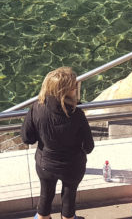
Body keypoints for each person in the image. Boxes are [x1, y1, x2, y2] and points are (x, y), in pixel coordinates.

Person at [21, 67, 94, 219]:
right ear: (67, 91)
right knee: (69, 195)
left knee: (45, 193)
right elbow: (89, 147)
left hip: (45, 163)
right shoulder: (77, 114)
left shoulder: (36, 108)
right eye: (74, 86)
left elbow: (27, 138)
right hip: (72, 166)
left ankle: (42, 217)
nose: (76, 88)